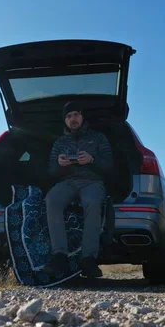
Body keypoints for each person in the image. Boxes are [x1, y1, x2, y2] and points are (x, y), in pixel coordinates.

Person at [42, 101, 113, 278]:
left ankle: (88, 259)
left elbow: (110, 165)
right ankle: (60, 256)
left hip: (92, 182)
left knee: (93, 202)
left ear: (82, 117)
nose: (73, 119)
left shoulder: (98, 137)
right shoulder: (60, 142)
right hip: (67, 182)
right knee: (52, 200)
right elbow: (50, 171)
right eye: (68, 116)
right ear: (65, 120)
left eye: (76, 115)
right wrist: (59, 165)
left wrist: (92, 160)